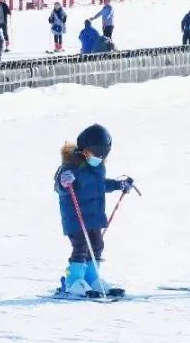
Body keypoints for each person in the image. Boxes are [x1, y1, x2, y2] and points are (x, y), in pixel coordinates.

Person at [53, 124, 135, 298]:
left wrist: (118, 184)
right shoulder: (71, 166)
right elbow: (60, 186)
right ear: (84, 149)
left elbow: (100, 185)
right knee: (81, 246)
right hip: (76, 217)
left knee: (97, 245)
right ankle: (74, 281)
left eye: (103, 154)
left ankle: (92, 278)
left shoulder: (97, 167)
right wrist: (64, 182)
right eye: (95, 152)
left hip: (94, 216)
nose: (99, 157)